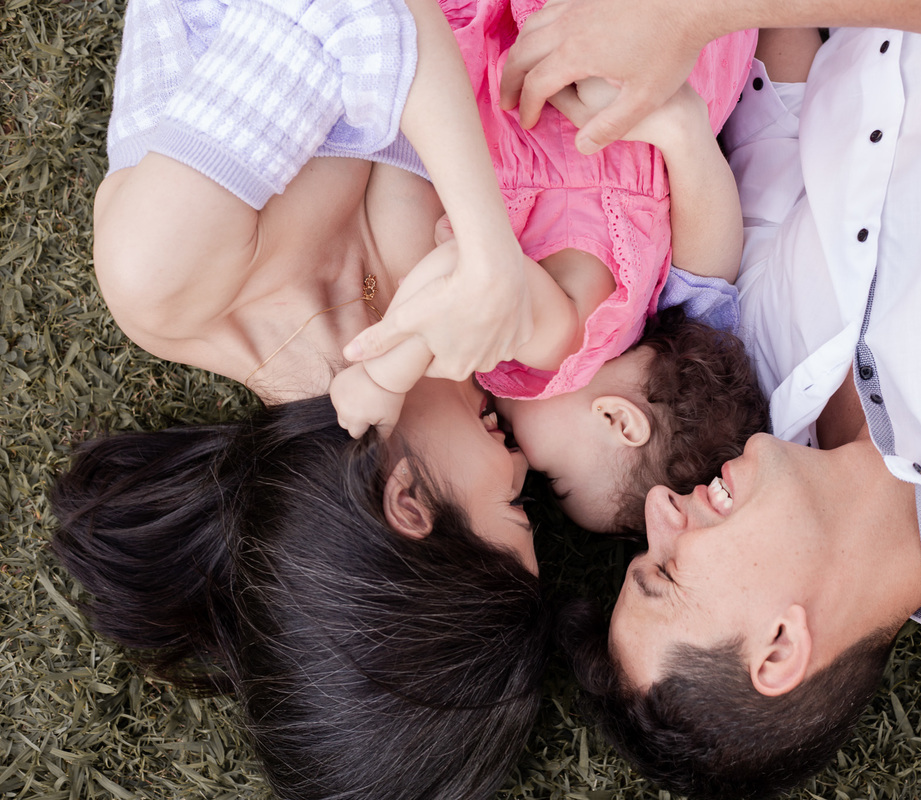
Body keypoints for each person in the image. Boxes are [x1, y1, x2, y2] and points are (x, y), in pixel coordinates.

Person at [498, 0, 921, 797]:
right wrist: (695, 14)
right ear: (778, 648)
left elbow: (779, 102)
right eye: (665, 570)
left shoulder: (752, 372)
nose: (660, 507)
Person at [57, 0, 552, 797]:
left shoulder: (167, 280)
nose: (524, 455)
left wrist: (487, 249)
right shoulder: (431, 341)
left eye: (518, 506)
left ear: (409, 504)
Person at [331, 0, 769, 533]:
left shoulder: (662, 313)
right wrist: (384, 376)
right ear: (617, 419)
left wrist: (688, 135)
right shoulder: (567, 345)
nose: (521, 458)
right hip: (568, 70)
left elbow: (712, 263)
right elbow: (475, 287)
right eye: (554, 476)